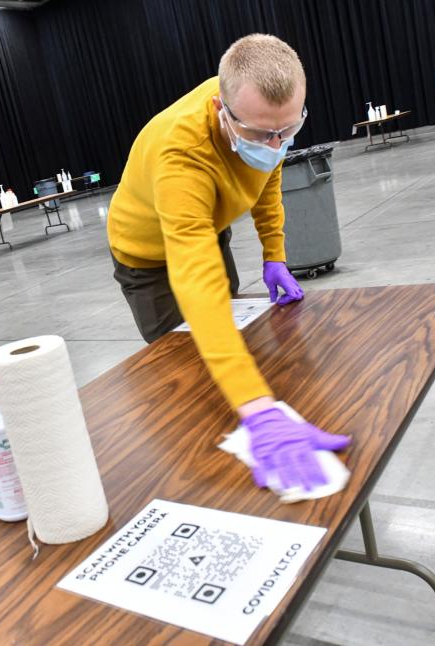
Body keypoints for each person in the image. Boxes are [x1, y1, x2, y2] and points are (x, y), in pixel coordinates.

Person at [107, 34, 350, 493]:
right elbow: (196, 281)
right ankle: (209, 481)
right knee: (183, 368)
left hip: (208, 228)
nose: (275, 143)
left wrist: (274, 253)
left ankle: (243, 423)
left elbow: (267, 178)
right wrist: (259, 406)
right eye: (261, 134)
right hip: (148, 256)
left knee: (229, 335)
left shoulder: (263, 116)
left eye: (289, 130)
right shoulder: (181, 152)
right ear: (222, 107)